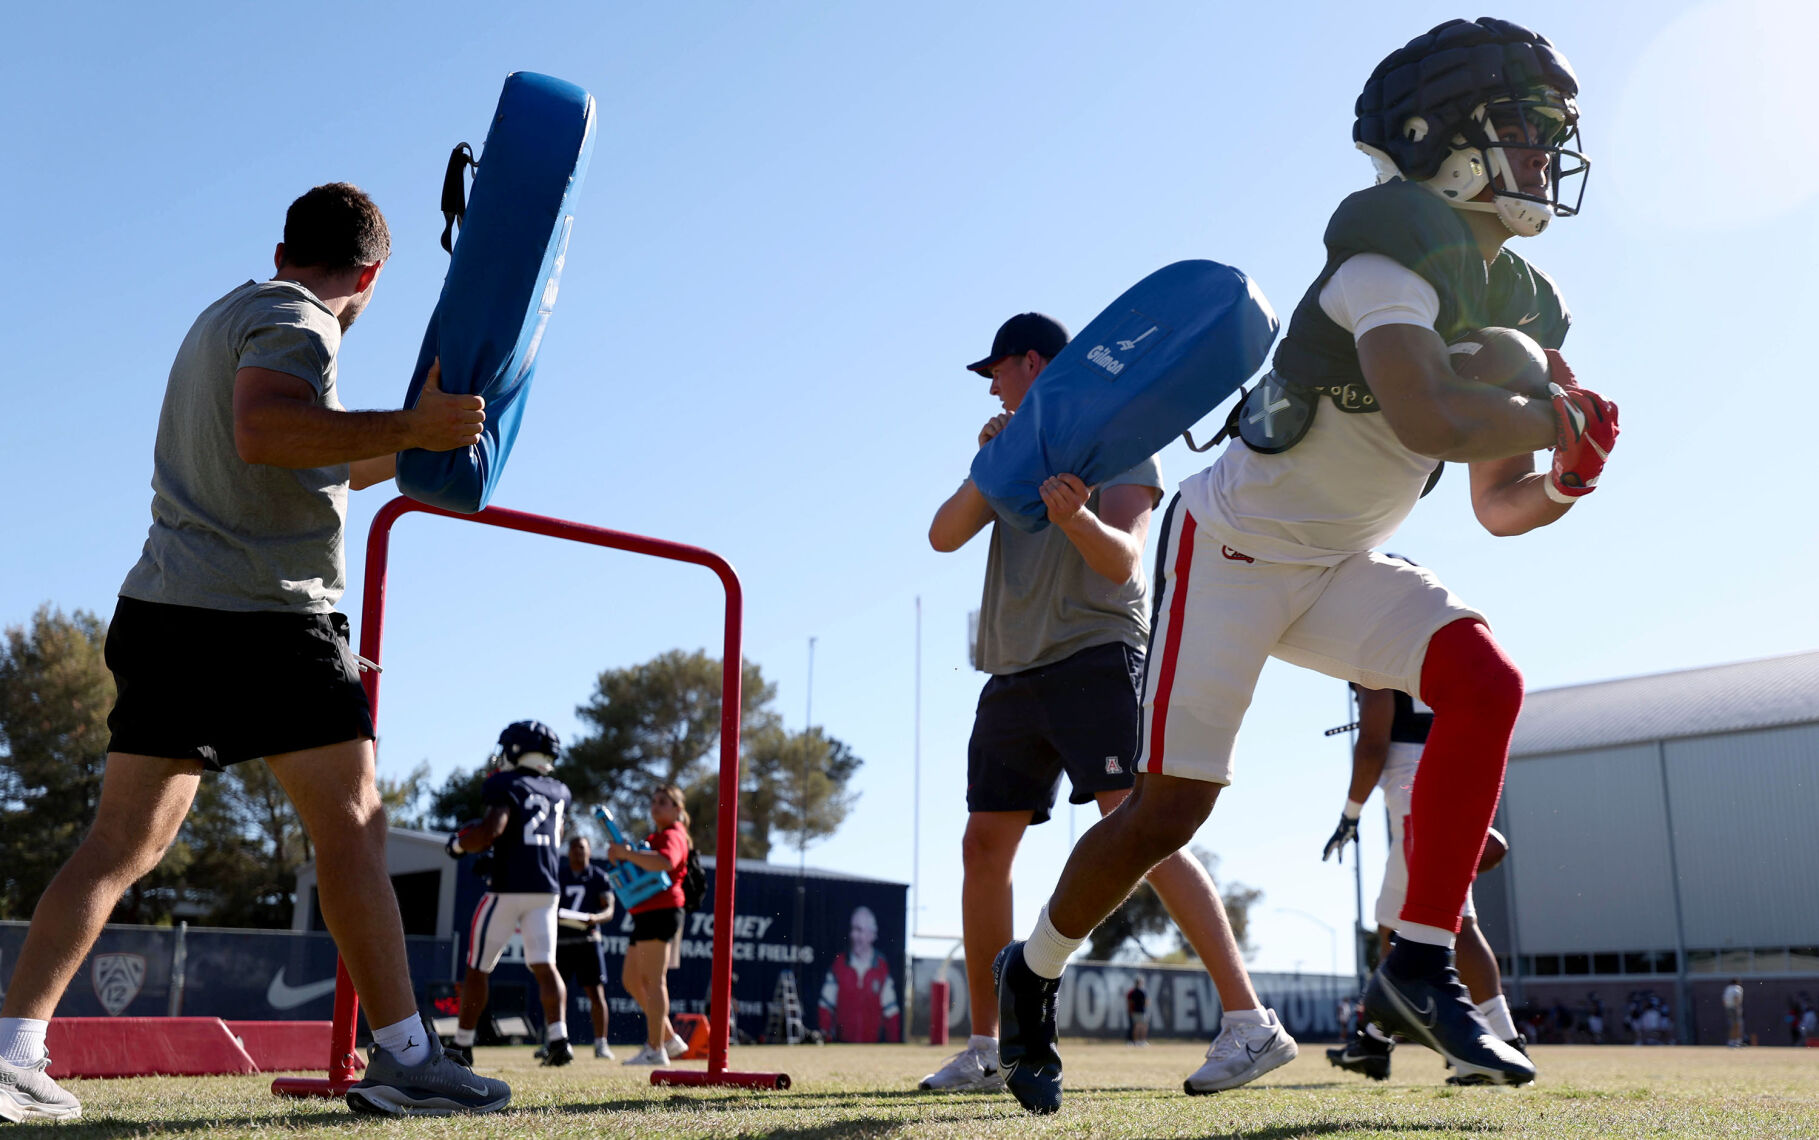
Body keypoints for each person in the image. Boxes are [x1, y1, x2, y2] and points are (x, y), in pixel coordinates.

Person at [993, 17, 1620, 1112]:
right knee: (1166, 814)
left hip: (1340, 560)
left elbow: (1499, 505)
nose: (1541, 154)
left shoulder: (1521, 308)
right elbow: (1425, 408)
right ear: (1442, 141)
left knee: (1488, 683)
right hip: (1229, 551)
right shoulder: (1383, 252)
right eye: (1521, 128)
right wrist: (1544, 402)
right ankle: (1029, 973)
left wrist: (1566, 472)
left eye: (1547, 131)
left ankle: (1416, 962)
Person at [0, 184, 508, 1122]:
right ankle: (404, 1057)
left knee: (120, 844)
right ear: (370, 274)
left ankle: (10, 1053)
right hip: (267, 620)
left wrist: (415, 446)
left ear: (283, 248)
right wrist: (406, 427)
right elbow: (265, 429)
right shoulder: (300, 323)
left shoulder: (227, 315)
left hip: (166, 610)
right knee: (353, 825)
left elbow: (290, 458)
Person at [923, 313, 1295, 1102]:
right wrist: (990, 466)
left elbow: (1124, 561)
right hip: (1011, 671)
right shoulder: (1009, 454)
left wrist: (1074, 515)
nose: (989, 386)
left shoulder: (1127, 438)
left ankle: (1249, 1022)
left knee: (1142, 831)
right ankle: (987, 1048)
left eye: (996, 370)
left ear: (1034, 363)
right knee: (980, 851)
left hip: (1095, 657)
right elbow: (941, 535)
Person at [1323, 676, 1529, 1083]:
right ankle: (1374, 1041)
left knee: (1451, 918)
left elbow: (1374, 741)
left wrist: (1350, 812)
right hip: (1438, 769)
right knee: (1392, 920)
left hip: (1416, 785)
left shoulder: (1373, 636)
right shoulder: (1429, 627)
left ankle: (1504, 1040)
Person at [446, 721, 575, 1068]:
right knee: (545, 966)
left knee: (478, 967)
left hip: (508, 887)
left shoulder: (505, 783)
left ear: (515, 749)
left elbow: (492, 829)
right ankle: (559, 1038)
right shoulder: (559, 791)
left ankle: (461, 1044)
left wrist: (459, 845)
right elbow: (553, 835)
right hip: (546, 889)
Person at [612, 784, 692, 1066]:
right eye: (654, 801)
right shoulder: (654, 835)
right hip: (646, 912)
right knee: (632, 980)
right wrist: (620, 857)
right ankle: (668, 1039)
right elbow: (640, 863)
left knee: (654, 982)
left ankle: (655, 1049)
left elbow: (664, 861)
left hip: (663, 911)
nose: (656, 806)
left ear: (677, 810)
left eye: (663, 802)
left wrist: (627, 854)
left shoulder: (674, 835)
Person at [556, 835, 618, 1059]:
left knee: (596, 993)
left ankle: (601, 1044)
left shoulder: (598, 877)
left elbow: (609, 910)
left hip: (588, 942)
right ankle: (555, 1040)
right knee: (555, 992)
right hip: (561, 942)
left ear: (590, 851)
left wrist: (594, 918)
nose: (577, 852)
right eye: (573, 848)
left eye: (581, 848)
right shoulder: (559, 875)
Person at [818, 906, 902, 1043]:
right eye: (852, 929)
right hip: (840, 1047)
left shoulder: (881, 968)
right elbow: (825, 1007)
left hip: (872, 1049)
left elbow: (891, 1014)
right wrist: (826, 1041)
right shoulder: (839, 964)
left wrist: (893, 1048)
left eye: (859, 930)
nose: (853, 935)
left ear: (872, 935)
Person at [1125, 977, 1150, 1046]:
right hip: (1141, 1011)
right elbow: (1146, 1002)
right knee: (1143, 1027)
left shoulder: (1132, 992)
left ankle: (1135, 1042)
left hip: (1134, 1011)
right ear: (1140, 983)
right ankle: (1142, 1041)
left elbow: (1130, 1002)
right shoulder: (1142, 991)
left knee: (1135, 1027)